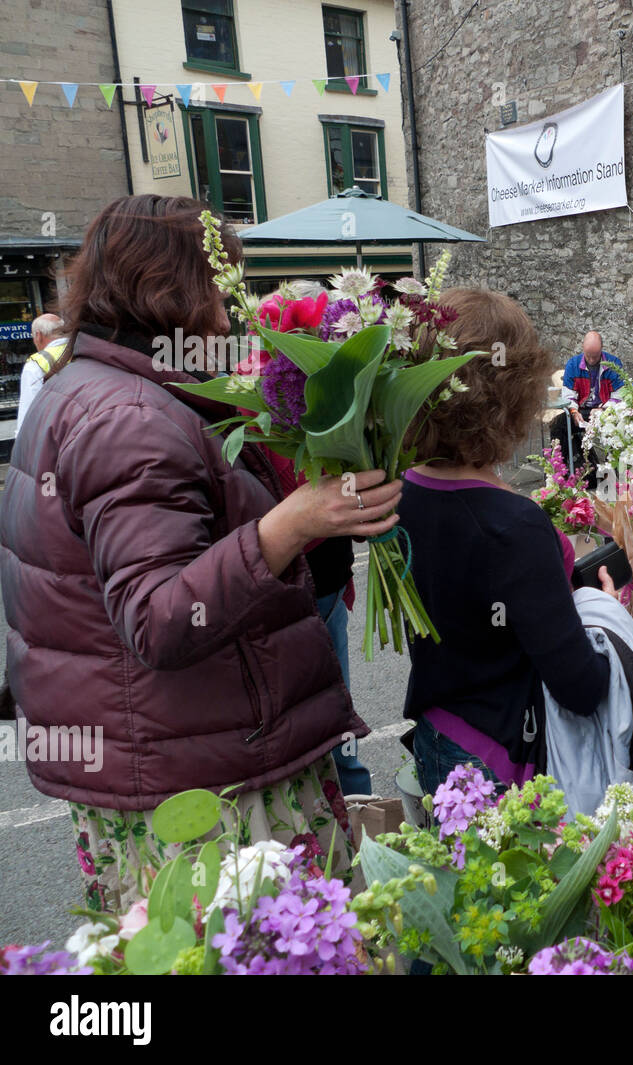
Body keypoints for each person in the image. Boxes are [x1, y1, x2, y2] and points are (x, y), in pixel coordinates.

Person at [0, 194, 394, 913]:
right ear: (168, 290)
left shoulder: (85, 387)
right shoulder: (129, 419)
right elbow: (159, 619)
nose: (224, 313)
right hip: (203, 779)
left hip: (160, 755)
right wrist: (294, 522)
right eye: (215, 287)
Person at [399, 288, 618, 795]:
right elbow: (580, 686)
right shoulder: (512, 523)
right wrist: (609, 616)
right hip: (497, 756)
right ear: (512, 395)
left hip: (437, 732)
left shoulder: (402, 491)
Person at [248, 280, 371, 796]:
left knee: (322, 700)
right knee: (329, 699)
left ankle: (342, 793)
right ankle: (351, 795)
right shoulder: (273, 387)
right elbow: (311, 498)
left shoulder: (262, 382)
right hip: (308, 575)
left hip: (311, 576)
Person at [553, 330, 624, 478]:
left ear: (602, 350)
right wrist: (573, 412)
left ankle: (612, 469)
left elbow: (620, 395)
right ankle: (564, 469)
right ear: (582, 348)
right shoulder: (573, 364)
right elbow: (568, 395)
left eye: (595, 356)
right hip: (582, 411)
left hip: (605, 412)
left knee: (619, 424)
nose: (591, 360)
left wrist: (603, 409)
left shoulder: (614, 364)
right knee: (558, 424)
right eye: (588, 356)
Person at [15, 313, 67, 434]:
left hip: (59, 435)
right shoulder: (81, 350)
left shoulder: (36, 365)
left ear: (38, 335)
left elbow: (29, 415)